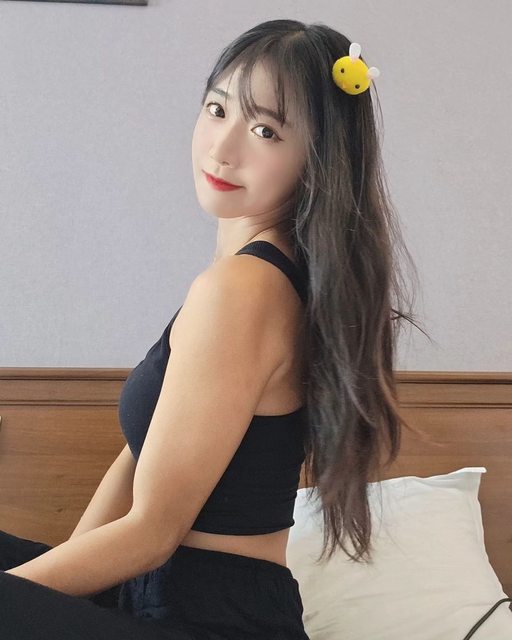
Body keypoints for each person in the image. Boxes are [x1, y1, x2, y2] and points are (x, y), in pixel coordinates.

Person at [0, 18, 430, 639]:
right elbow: (140, 458)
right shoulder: (256, 278)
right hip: (160, 595)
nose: (222, 148)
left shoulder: (244, 289)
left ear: (319, 158)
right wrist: (48, 602)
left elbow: (153, 532)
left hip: (206, 617)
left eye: (265, 131)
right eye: (217, 108)